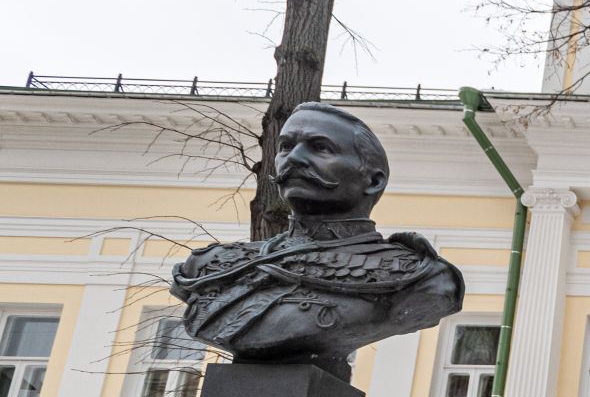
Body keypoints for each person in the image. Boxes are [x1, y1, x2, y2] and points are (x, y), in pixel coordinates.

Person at [171, 102, 464, 377]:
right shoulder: (213, 266)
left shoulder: (420, 278)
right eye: (286, 147)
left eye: (321, 148)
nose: (294, 159)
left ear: (373, 181)